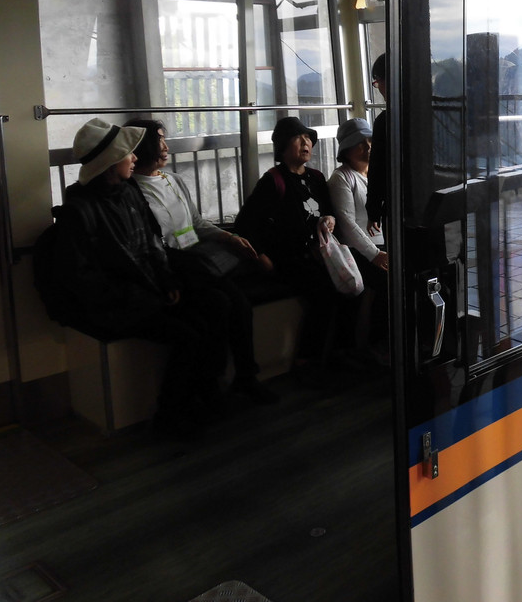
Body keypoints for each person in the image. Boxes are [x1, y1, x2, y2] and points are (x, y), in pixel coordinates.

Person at [54, 118, 229, 439]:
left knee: (214, 309)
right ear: (109, 163)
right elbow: (88, 280)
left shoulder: (127, 194)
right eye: (127, 154)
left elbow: (152, 245)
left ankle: (204, 396)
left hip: (149, 291)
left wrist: (166, 281)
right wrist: (146, 295)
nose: (134, 158)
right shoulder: (80, 212)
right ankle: (170, 413)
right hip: (121, 304)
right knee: (188, 334)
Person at [124, 118, 278, 405]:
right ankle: (215, 387)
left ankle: (244, 377)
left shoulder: (173, 180)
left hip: (196, 262)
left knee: (240, 305)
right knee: (222, 305)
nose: (166, 146)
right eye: (159, 140)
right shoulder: (132, 191)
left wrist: (228, 238)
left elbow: (195, 223)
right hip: (176, 268)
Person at [233, 116, 338, 363]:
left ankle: (337, 354)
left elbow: (329, 210)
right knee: (324, 294)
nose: (307, 143)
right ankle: (309, 362)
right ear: (283, 145)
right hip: (289, 259)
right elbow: (245, 224)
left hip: (320, 254)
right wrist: (260, 255)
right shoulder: (273, 181)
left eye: (308, 139)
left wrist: (330, 219)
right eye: (299, 138)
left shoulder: (317, 178)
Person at [328, 117, 389, 361]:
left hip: (382, 247)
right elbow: (347, 224)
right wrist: (375, 255)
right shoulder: (342, 178)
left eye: (370, 140)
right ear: (346, 150)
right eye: (360, 143)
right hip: (358, 251)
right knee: (387, 283)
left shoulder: (378, 175)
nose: (368, 146)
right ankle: (377, 344)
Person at [365, 54, 388, 236]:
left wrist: (373, 210)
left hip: (398, 206)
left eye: (377, 82)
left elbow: (377, 169)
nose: (378, 88)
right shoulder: (436, 112)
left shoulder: (385, 121)